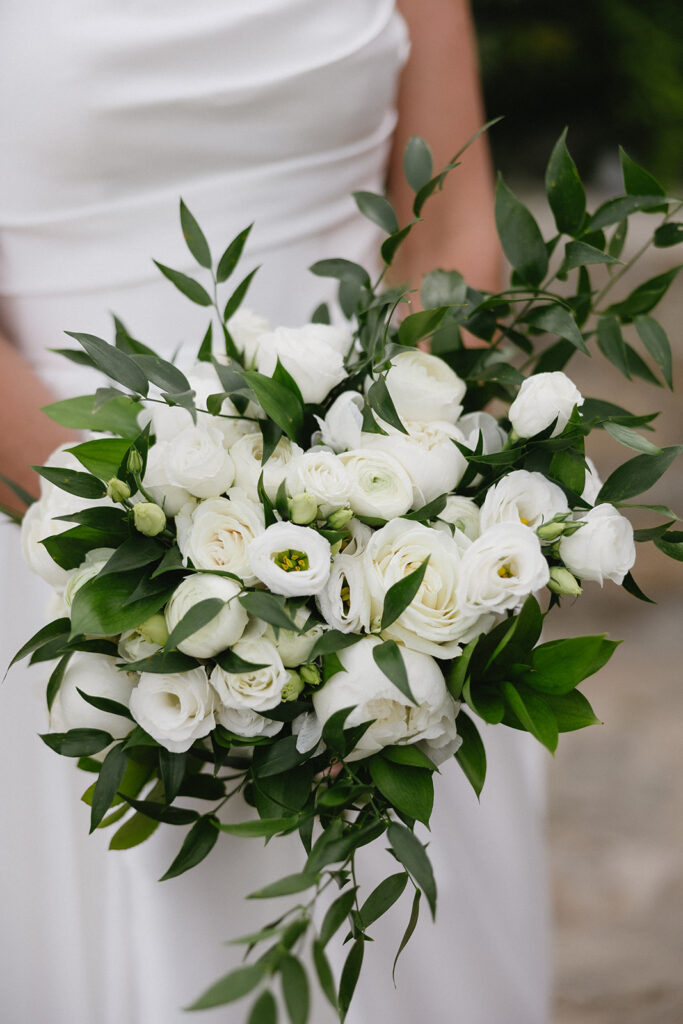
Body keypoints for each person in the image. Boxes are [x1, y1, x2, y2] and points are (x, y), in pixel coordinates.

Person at [0, 2, 549, 1021]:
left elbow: (455, 225)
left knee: (400, 954)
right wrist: (129, 558)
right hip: (68, 516)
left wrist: (388, 502)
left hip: (381, 524)